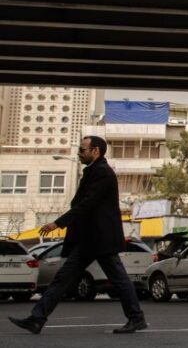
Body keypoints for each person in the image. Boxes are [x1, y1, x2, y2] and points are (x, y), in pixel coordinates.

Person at [9, 136, 147, 335]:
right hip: (89, 240)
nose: (79, 153)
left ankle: (136, 318)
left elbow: (87, 204)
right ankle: (36, 319)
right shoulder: (93, 172)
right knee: (62, 279)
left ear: (96, 151)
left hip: (101, 239)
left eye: (83, 150)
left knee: (119, 280)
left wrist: (58, 223)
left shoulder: (102, 173)